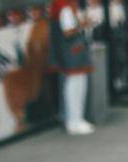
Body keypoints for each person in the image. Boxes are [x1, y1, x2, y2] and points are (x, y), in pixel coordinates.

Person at [48, 0, 95, 135]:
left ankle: (76, 119)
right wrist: (82, 24)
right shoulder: (65, 6)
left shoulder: (66, 6)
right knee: (75, 85)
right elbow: (68, 32)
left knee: (76, 84)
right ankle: (74, 121)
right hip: (72, 50)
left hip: (72, 49)